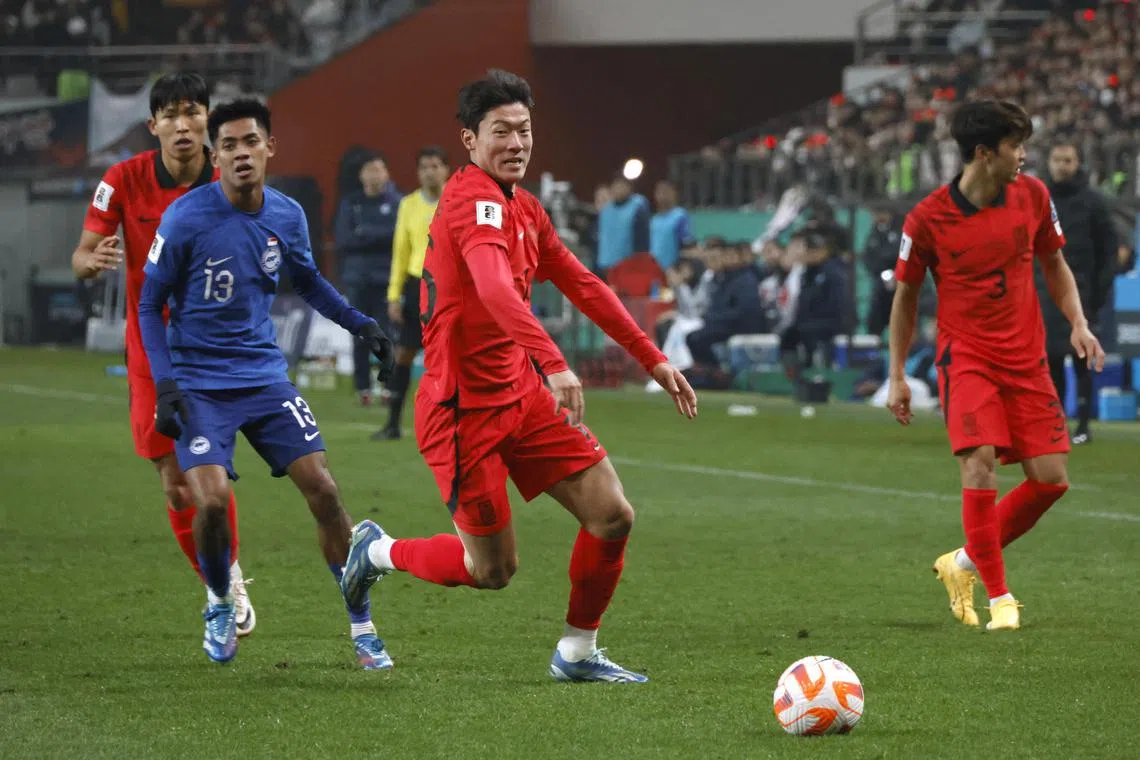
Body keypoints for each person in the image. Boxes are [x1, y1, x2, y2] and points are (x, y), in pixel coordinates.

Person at [339, 69, 697, 682]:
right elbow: (496, 289)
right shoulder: (469, 203)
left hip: (521, 398)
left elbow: (583, 283)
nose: (516, 143)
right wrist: (554, 362)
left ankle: (578, 653)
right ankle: (375, 552)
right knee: (492, 571)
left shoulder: (524, 208)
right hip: (461, 412)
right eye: (500, 131)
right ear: (469, 141)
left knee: (612, 513)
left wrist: (653, 357)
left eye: (524, 130)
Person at [137, 98, 396, 666]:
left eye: (249, 142)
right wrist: (166, 385)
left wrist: (362, 324)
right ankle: (219, 601)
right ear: (215, 155)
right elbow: (147, 303)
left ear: (268, 148)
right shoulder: (184, 218)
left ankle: (362, 626)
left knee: (325, 491)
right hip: (199, 385)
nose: (239, 154)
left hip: (263, 378)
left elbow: (308, 281)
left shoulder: (286, 215)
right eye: (227, 146)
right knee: (209, 504)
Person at [887, 100, 1105, 633]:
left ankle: (960, 564)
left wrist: (1077, 321)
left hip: (1026, 358)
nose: (1024, 157)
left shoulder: (1033, 197)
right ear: (984, 153)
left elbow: (1054, 263)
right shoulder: (928, 218)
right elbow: (906, 298)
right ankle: (1000, 597)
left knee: (1051, 481)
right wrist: (897, 373)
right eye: (1016, 147)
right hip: (967, 358)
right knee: (978, 463)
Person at [71, 72, 256, 635]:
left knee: (211, 476)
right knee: (178, 484)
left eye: (193, 112)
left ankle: (228, 583)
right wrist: (93, 260)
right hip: (153, 354)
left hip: (220, 349)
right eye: (171, 115)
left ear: (208, 121)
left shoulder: (231, 179)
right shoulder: (122, 180)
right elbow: (79, 256)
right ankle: (223, 579)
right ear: (153, 126)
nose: (183, 124)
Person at [1038, 141, 1117, 445]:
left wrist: (1098, 293)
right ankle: (1057, 422)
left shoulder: (1093, 203)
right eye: (1057, 159)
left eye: (1068, 160)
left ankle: (1083, 423)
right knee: (1052, 359)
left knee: (1082, 359)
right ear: (1049, 161)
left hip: (1082, 292)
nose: (1062, 166)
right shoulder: (1041, 199)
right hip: (1046, 294)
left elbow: (1108, 250)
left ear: (1078, 162)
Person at [374, 146, 450, 440]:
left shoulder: (456, 202)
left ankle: (446, 422)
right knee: (404, 353)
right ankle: (393, 423)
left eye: (435, 165)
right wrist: (394, 294)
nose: (430, 171)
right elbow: (400, 252)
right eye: (424, 167)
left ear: (446, 169)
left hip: (448, 286)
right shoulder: (408, 205)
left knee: (445, 357)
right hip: (416, 284)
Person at [333, 153, 402, 407]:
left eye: (378, 170)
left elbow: (398, 237)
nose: (374, 175)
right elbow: (344, 239)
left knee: (386, 334)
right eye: (369, 170)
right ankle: (363, 387)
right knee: (360, 335)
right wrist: (379, 236)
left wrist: (365, 233)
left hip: (386, 279)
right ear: (362, 176)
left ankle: (387, 385)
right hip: (358, 280)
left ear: (386, 174)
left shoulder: (397, 203)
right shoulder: (351, 204)